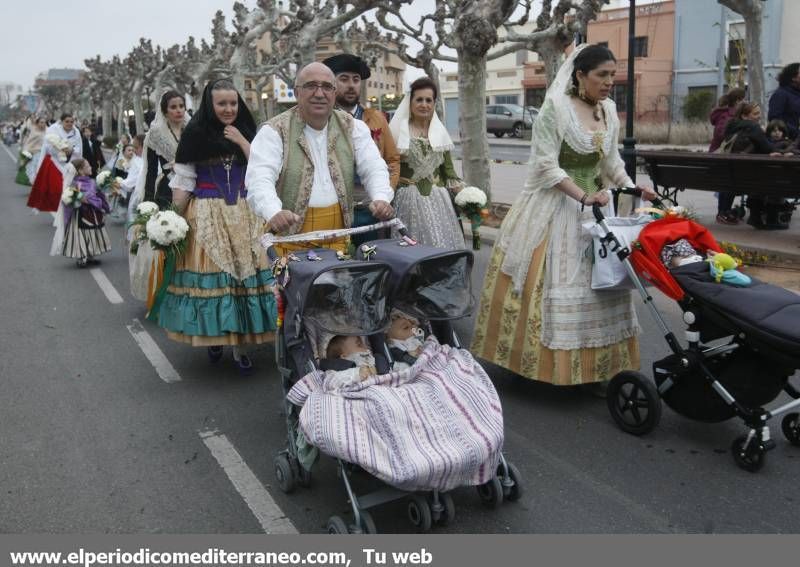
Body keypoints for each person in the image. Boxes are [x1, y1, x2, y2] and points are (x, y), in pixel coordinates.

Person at [471, 44, 656, 395]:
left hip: (598, 212)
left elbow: (612, 163)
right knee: (550, 285)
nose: (608, 83)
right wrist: (583, 196)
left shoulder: (609, 111)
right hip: (556, 208)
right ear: (580, 74)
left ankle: (599, 367)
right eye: (601, 75)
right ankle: (541, 366)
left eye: (612, 76)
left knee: (604, 286)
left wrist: (634, 188)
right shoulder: (555, 109)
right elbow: (545, 165)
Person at [153, 79, 277, 373]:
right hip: (208, 215)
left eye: (233, 103)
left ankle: (240, 346)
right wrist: (172, 218)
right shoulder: (194, 134)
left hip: (247, 213)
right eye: (222, 104)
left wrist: (242, 142)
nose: (228, 109)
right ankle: (217, 337)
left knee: (246, 278)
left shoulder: (249, 130)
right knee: (221, 278)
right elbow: (184, 182)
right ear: (210, 104)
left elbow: (264, 168)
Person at [245, 62, 394, 255]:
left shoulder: (353, 127)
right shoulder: (273, 131)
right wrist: (273, 211)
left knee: (341, 284)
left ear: (334, 93)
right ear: (297, 92)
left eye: (326, 87)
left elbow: (373, 166)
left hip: (338, 237)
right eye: (310, 86)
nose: (319, 93)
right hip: (290, 241)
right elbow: (259, 177)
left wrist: (381, 197)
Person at [323, 53, 400, 245]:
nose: (351, 85)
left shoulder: (376, 118)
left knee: (371, 261)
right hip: (331, 206)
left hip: (368, 207)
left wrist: (383, 195)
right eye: (344, 79)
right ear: (331, 83)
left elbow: (392, 160)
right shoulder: (321, 120)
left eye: (356, 80)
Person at [389, 77, 465, 249]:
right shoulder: (398, 131)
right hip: (408, 201)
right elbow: (390, 168)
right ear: (410, 102)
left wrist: (466, 197)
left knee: (442, 247)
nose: (424, 104)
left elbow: (448, 171)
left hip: (439, 200)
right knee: (411, 250)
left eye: (428, 100)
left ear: (434, 103)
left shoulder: (439, 132)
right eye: (419, 100)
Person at [127, 91, 188, 302]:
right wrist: (149, 204)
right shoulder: (155, 135)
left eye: (181, 106)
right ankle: (165, 290)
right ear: (164, 111)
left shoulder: (192, 129)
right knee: (168, 239)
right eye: (174, 107)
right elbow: (151, 170)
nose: (179, 110)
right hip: (166, 192)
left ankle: (187, 289)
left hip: (192, 190)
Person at [722, 102, 790, 230]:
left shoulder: (731, 128)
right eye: (756, 113)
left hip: (732, 177)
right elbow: (767, 147)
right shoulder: (753, 127)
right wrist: (785, 153)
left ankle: (755, 217)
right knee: (777, 180)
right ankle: (771, 219)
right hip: (749, 178)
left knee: (759, 179)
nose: (759, 116)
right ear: (744, 116)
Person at [50, 158, 111, 268]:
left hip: (93, 214)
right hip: (81, 215)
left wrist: (103, 203)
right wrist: (78, 199)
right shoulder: (75, 184)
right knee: (81, 234)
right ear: (81, 171)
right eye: (87, 166)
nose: (90, 167)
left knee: (93, 232)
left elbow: (98, 194)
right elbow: (68, 199)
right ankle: (82, 257)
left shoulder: (91, 181)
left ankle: (91, 255)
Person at [28, 113, 83, 213]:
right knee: (57, 189)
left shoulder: (76, 132)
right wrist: (60, 150)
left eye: (71, 122)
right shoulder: (53, 131)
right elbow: (48, 148)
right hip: (56, 164)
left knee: (70, 189)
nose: (69, 124)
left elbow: (79, 149)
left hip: (70, 164)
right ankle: (59, 209)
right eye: (67, 121)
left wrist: (71, 150)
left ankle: (68, 209)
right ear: (62, 122)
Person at [708, 88, 746, 225]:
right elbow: (720, 134)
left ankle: (725, 211)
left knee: (729, 184)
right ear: (738, 100)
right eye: (744, 99)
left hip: (724, 156)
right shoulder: (727, 115)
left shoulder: (729, 114)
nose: (745, 101)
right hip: (722, 156)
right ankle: (722, 212)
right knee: (727, 184)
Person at [768, 63, 800, 141]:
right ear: (793, 78)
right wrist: (796, 132)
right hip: (787, 141)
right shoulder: (780, 94)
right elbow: (775, 119)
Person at [16, 116, 46, 186]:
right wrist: (26, 154)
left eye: (44, 123)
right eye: (41, 122)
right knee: (35, 173)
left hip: (45, 155)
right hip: (36, 155)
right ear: (37, 124)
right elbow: (29, 144)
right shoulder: (34, 132)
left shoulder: (47, 132)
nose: (43, 124)